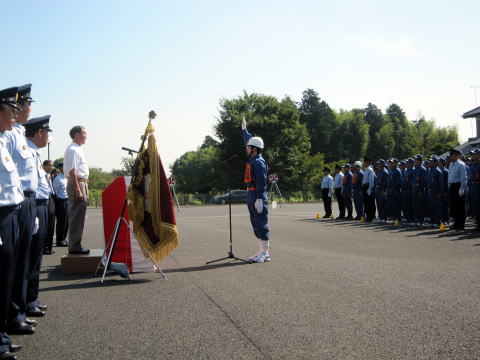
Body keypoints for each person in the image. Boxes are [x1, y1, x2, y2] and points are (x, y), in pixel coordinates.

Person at [3, 84, 39, 337]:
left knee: (20, 261)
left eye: (20, 107)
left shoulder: (17, 133)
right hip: (10, 207)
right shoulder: (8, 136)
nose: (19, 111)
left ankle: (17, 314)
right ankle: (12, 317)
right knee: (9, 268)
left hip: (22, 202)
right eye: (15, 107)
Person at [0, 86, 25, 360]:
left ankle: (2, 336)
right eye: (11, 110)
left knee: (7, 275)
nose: (15, 115)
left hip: (11, 211)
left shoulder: (2, 140)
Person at [25, 116, 52, 318]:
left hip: (41, 204)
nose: (48, 137)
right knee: (30, 255)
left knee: (36, 255)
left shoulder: (35, 153)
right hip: (33, 204)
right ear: (39, 133)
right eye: (46, 133)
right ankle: (27, 300)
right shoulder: (27, 151)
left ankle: (32, 298)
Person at [241, 117, 270, 263]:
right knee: (255, 222)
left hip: (257, 194)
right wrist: (244, 130)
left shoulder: (258, 162)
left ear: (255, 149)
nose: (246, 148)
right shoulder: (253, 159)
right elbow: (250, 139)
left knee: (260, 222)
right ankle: (261, 251)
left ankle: (265, 253)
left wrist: (259, 198)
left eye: (248, 147)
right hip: (250, 193)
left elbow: (262, 182)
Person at [64, 126, 90, 255]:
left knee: (79, 216)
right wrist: (78, 189)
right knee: (76, 216)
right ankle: (74, 246)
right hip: (77, 183)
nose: (86, 135)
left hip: (81, 183)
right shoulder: (73, 149)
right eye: (84, 133)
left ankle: (76, 245)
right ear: (76, 135)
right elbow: (72, 171)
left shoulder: (78, 149)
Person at [448, 149, 468, 230]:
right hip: (452, 186)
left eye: (452, 155)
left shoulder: (461, 164)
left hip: (458, 186)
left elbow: (464, 177)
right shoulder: (451, 165)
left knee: (460, 206)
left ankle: (461, 224)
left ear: (456, 155)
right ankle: (456, 223)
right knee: (454, 206)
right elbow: (450, 176)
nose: (450, 157)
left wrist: (462, 188)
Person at [52, 162, 69, 246]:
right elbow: (55, 191)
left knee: (67, 221)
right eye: (63, 167)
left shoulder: (66, 177)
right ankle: (60, 240)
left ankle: (64, 238)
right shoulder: (57, 179)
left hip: (67, 200)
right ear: (60, 168)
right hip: (61, 201)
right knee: (61, 221)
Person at [42, 160, 56, 255]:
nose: (52, 167)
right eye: (50, 165)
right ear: (44, 166)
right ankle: (45, 247)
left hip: (51, 198)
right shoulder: (41, 175)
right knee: (46, 224)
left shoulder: (48, 176)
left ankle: (49, 246)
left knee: (51, 223)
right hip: (44, 199)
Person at [426, 155, 443, 228]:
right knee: (430, 207)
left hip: (436, 191)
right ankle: (432, 221)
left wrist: (439, 192)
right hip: (430, 191)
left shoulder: (438, 171)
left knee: (436, 207)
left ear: (436, 162)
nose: (430, 162)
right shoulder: (431, 170)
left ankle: (437, 222)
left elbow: (440, 183)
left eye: (431, 161)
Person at [411, 155, 428, 227]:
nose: (415, 161)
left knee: (420, 206)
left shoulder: (422, 169)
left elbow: (423, 182)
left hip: (419, 189)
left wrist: (421, 191)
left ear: (420, 161)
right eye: (415, 160)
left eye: (416, 160)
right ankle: (416, 220)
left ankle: (420, 221)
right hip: (414, 189)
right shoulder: (415, 169)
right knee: (415, 206)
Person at [387, 158, 402, 224]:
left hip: (395, 190)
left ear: (396, 163)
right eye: (391, 163)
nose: (391, 164)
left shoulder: (397, 171)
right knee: (391, 205)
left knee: (396, 205)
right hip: (390, 190)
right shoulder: (391, 170)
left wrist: (396, 189)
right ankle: (393, 218)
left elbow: (398, 182)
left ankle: (397, 219)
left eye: (393, 163)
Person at [468, 149, 480, 231]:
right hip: (473, 186)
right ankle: (478, 224)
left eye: (474, 154)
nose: (472, 156)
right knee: (475, 206)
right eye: (472, 154)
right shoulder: (472, 165)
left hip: (478, 185)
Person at [375, 159, 389, 223]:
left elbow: (386, 183)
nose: (378, 165)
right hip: (378, 189)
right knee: (379, 204)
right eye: (378, 163)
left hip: (382, 190)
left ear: (383, 164)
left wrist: (383, 190)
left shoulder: (385, 172)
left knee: (383, 205)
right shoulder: (379, 171)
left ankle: (384, 218)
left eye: (380, 163)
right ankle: (381, 218)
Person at [362, 158, 376, 222]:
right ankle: (368, 216)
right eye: (364, 162)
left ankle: (370, 217)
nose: (364, 163)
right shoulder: (366, 169)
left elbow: (371, 180)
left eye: (365, 162)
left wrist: (369, 188)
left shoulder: (370, 170)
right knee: (366, 203)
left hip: (368, 187)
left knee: (369, 203)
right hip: (365, 186)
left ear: (369, 163)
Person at [402, 158, 415, 226]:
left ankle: (412, 220)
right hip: (405, 190)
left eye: (408, 163)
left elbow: (412, 183)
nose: (406, 164)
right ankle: (408, 219)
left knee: (410, 206)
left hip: (410, 190)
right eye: (406, 162)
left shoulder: (413, 171)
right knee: (406, 206)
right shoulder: (406, 171)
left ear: (411, 164)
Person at [438, 157, 449, 225]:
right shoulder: (438, 170)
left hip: (444, 191)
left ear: (442, 163)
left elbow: (446, 182)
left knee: (445, 206)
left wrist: (445, 191)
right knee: (440, 206)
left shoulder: (445, 171)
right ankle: (441, 219)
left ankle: (446, 220)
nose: (438, 163)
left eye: (439, 161)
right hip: (439, 191)